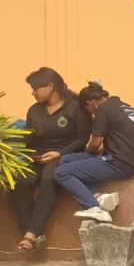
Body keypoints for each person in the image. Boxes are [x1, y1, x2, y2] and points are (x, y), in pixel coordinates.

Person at [9, 68, 91, 252]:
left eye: (35, 88)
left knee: (49, 178)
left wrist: (59, 154)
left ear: (50, 86)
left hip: (64, 155)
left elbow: (82, 139)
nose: (33, 93)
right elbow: (29, 138)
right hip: (37, 156)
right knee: (19, 181)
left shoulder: (75, 108)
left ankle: (30, 235)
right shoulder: (34, 111)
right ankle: (33, 233)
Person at [53, 82, 134, 223]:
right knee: (66, 159)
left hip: (119, 163)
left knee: (61, 173)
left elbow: (96, 143)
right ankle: (99, 197)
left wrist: (88, 151)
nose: (92, 114)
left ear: (91, 103)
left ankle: (93, 207)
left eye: (89, 111)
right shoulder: (123, 106)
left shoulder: (103, 109)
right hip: (131, 159)